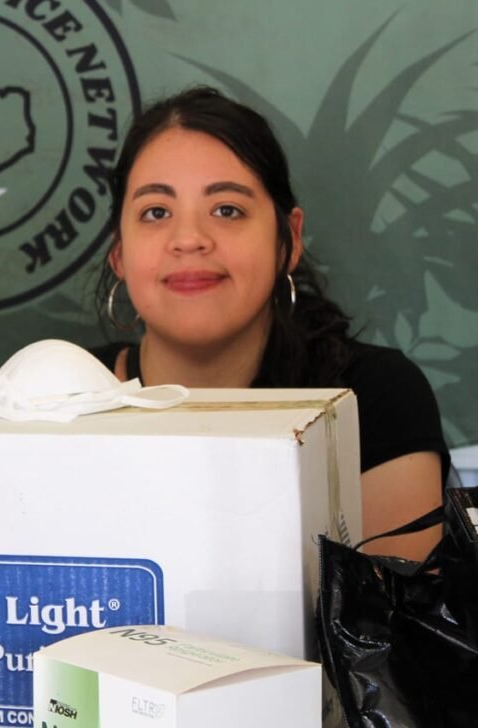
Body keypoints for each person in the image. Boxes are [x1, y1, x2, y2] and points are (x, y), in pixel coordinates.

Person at [92, 86, 448, 562]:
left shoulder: (374, 401)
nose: (190, 239)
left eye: (227, 210)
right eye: (156, 212)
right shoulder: (55, 405)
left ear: (289, 240)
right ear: (119, 252)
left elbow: (392, 632)